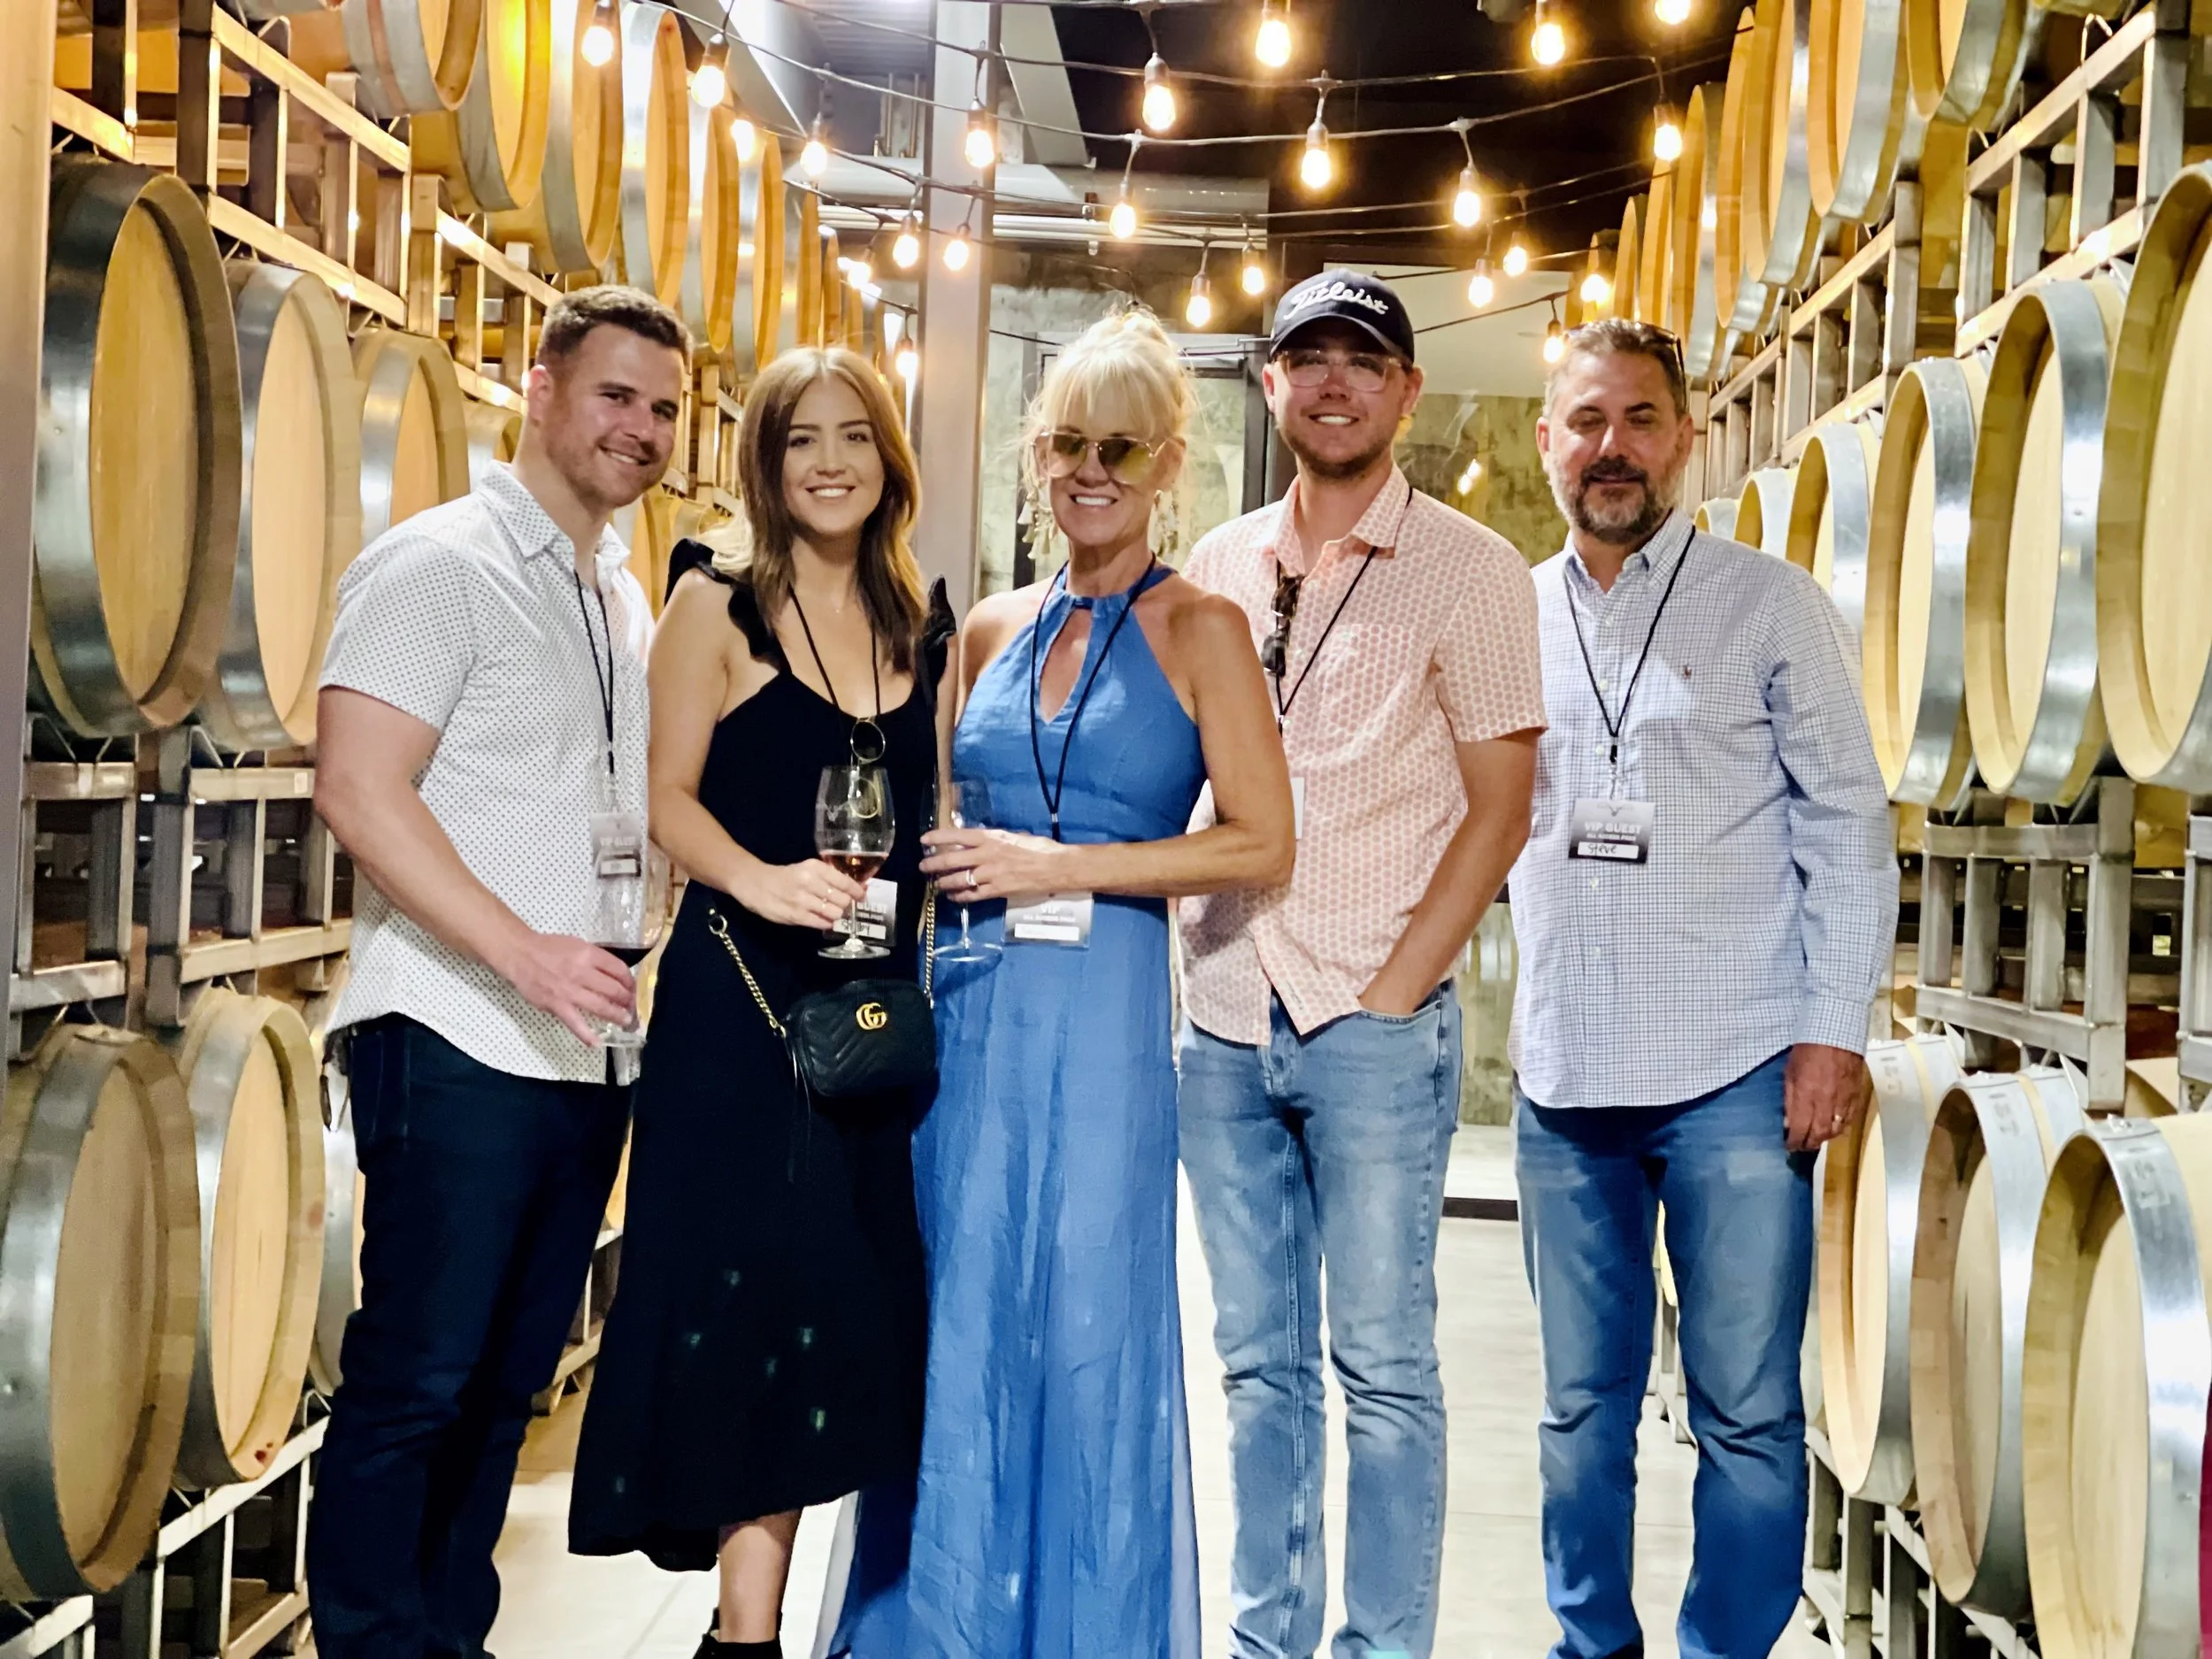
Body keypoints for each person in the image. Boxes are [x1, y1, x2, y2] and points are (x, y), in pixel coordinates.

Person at [830, 307, 1295, 1658]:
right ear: (1040, 455)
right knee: (954, 1319)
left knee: (1086, 1329)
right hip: (966, 1022)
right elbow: (929, 824)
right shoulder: (983, 628)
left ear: (1166, 465)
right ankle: (936, 1626)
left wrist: (1066, 868)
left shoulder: (1203, 628)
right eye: (1069, 442)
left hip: (1100, 1032)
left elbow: (1262, 839)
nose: (1092, 469)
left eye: (1122, 446)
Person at [306, 285, 689, 1659]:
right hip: (459, 1027)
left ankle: (443, 1640)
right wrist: (521, 946)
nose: (639, 428)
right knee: (415, 1380)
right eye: (614, 395)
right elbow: (357, 785)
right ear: (540, 390)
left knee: (507, 1384)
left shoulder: (618, 592)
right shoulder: (441, 563)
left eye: (661, 407)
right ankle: (364, 1639)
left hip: (582, 1056)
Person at [1512, 317, 1896, 1659]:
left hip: (1735, 1065)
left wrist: (1829, 1029)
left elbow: (1847, 820)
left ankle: (1725, 1647)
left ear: (1682, 434)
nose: (1609, 446)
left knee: (1743, 1405)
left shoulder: (1767, 600)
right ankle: (1589, 1643)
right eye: (1584, 421)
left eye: (1636, 418)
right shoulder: (1515, 612)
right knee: (1578, 1411)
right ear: (1545, 440)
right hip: (1563, 1077)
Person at [1176, 267, 1546, 1659]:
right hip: (1221, 1011)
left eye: (1362, 360)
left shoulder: (1472, 568)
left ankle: (1379, 1648)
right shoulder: (1216, 563)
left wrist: (1396, 990)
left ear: (1406, 390)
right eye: (1306, 358)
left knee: (1382, 1370)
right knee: (1258, 1372)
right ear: (1270, 384)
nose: (1332, 382)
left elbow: (1503, 808)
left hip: (1371, 1022)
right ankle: (1269, 1642)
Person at [566, 346, 953, 1658]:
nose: (831, 461)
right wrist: (765, 878)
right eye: (803, 440)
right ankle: (747, 1634)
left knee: (830, 1323)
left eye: (855, 435)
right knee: (740, 1319)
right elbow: (663, 797)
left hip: (864, 1028)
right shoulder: (714, 606)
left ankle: (757, 1630)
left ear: (888, 458)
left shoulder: (917, 623)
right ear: (768, 462)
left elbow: (929, 817)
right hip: (738, 1013)